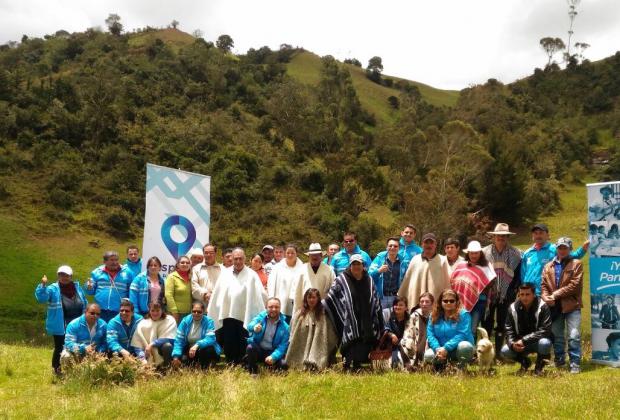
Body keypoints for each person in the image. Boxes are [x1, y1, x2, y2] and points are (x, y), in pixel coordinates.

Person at [324, 254, 384, 371]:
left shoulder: (369, 279)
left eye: (359, 264)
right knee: (352, 340)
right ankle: (349, 363)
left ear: (363, 265)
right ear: (350, 266)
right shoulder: (341, 279)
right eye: (354, 264)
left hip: (367, 318)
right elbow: (331, 296)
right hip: (349, 320)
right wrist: (323, 305)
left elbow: (375, 298)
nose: (356, 266)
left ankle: (362, 364)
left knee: (365, 340)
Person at [207, 248, 267, 364]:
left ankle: (243, 362)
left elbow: (260, 293)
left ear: (244, 259)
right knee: (229, 339)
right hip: (228, 313)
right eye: (235, 259)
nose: (238, 261)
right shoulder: (225, 273)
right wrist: (216, 307)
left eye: (240, 259)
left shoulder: (252, 274)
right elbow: (218, 292)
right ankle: (231, 362)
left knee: (243, 339)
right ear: (232, 259)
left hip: (245, 313)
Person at [541, 237, 584, 373]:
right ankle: (559, 361)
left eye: (565, 247)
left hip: (572, 305)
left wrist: (555, 295)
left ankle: (575, 363)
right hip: (554, 307)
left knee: (574, 335)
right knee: (557, 336)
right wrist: (546, 297)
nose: (562, 250)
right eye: (560, 247)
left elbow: (574, 286)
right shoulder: (548, 266)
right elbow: (543, 285)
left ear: (570, 249)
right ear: (556, 249)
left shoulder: (577, 263)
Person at [35, 265, 88, 375]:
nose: (64, 277)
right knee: (60, 346)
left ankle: (75, 369)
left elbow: (84, 302)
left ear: (71, 276)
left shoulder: (77, 288)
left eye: (67, 275)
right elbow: (41, 298)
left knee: (77, 345)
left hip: (78, 324)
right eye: (61, 275)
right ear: (58, 276)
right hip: (60, 324)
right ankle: (57, 370)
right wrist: (43, 285)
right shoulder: (52, 288)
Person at [482, 223, 522, 358]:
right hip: (488, 292)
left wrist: (514, 290)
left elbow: (517, 274)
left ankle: (500, 353)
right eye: (498, 236)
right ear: (493, 237)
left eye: (504, 236)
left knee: (503, 323)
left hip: (507, 293)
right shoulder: (484, 252)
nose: (501, 238)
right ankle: (487, 351)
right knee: (487, 322)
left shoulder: (516, 253)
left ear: (508, 237)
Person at [521, 223, 588, 296]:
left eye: (541, 233)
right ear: (532, 236)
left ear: (547, 235)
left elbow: (573, 256)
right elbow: (523, 273)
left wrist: (583, 248)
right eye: (535, 233)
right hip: (528, 293)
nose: (538, 236)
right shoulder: (527, 253)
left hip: (545, 293)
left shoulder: (554, 249)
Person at [502, 283, 552, 374]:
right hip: (520, 344)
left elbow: (545, 330)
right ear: (519, 295)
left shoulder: (543, 306)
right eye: (522, 294)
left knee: (545, 343)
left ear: (534, 294)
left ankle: (539, 367)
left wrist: (524, 340)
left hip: (537, 342)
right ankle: (525, 362)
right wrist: (513, 344)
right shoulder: (512, 308)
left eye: (527, 294)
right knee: (505, 350)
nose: (525, 297)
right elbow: (508, 330)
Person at [450, 240, 497, 337]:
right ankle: (463, 350)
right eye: (471, 253)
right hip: (461, 303)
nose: (474, 255)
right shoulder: (461, 265)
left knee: (472, 329)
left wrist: (477, 286)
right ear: (468, 253)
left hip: (479, 302)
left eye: (476, 253)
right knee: (461, 328)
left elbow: (491, 281)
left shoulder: (486, 266)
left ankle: (471, 350)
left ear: (480, 253)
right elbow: (454, 281)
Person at [286, 288, 338, 371]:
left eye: (314, 297)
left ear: (318, 299)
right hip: (303, 342)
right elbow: (293, 328)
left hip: (317, 343)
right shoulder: (300, 313)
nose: (311, 300)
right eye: (309, 298)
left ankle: (314, 364)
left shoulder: (323, 314)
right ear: (306, 299)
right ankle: (300, 364)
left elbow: (328, 331)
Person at [424, 289, 474, 371]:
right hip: (439, 350)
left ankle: (461, 369)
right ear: (440, 302)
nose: (448, 303)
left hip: (457, 350)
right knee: (428, 355)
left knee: (465, 346)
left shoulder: (464, 315)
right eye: (445, 301)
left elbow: (462, 335)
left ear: (457, 302)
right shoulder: (433, 315)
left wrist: (446, 348)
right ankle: (441, 368)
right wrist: (437, 348)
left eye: (451, 301)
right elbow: (430, 335)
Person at [398, 233, 450, 311]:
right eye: (426, 242)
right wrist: (401, 295)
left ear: (435, 244)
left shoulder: (442, 261)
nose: (429, 245)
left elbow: (446, 283)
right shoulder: (415, 259)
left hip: (435, 301)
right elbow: (407, 280)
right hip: (416, 300)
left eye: (431, 243)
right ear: (422, 244)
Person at [246, 297, 290, 375]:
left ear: (280, 308)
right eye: (270, 307)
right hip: (259, 349)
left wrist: (273, 356)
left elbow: (283, 346)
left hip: (272, 351)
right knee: (250, 347)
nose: (273, 309)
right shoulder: (261, 317)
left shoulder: (285, 327)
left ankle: (269, 366)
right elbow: (249, 326)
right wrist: (254, 327)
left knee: (284, 365)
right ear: (266, 308)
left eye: (276, 307)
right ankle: (253, 371)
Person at [86, 251, 134, 322]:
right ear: (104, 261)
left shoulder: (128, 272)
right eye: (111, 260)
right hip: (100, 310)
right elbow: (90, 292)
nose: (114, 262)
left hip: (119, 310)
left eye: (116, 260)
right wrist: (89, 287)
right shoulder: (97, 272)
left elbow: (132, 291)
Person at [171, 302, 221, 369]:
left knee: (207, 350)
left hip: (204, 350)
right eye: (194, 311)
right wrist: (176, 356)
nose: (196, 313)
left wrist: (197, 345)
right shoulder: (185, 321)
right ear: (191, 311)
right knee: (183, 360)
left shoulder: (209, 321)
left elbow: (211, 338)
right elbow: (179, 340)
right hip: (190, 349)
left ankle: (205, 369)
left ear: (203, 312)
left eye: (199, 312)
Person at [292, 243, 336, 314]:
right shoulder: (301, 270)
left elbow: (333, 291)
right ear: (309, 256)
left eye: (317, 255)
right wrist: (298, 308)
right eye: (312, 255)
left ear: (321, 255)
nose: (314, 257)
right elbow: (297, 291)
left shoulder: (329, 270)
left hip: (323, 310)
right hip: (305, 309)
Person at [131, 302, 177, 368]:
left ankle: (167, 368)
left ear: (162, 310)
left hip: (162, 349)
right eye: (152, 310)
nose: (155, 313)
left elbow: (171, 339)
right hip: (147, 353)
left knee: (167, 346)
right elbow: (137, 344)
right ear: (149, 311)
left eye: (158, 310)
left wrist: (151, 344)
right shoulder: (143, 323)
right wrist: (142, 358)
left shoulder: (169, 320)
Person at [267, 243, 304, 323]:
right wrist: (271, 300)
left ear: (296, 254)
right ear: (285, 253)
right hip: (280, 304)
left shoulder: (302, 269)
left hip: (295, 304)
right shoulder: (277, 268)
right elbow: (271, 285)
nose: (290, 255)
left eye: (292, 253)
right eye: (288, 253)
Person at [369, 237, 408, 308]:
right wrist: (378, 271)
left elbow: (406, 280)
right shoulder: (379, 259)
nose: (392, 248)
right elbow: (369, 275)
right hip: (381, 297)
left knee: (394, 318)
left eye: (395, 246)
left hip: (395, 298)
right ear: (387, 247)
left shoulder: (403, 262)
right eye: (390, 246)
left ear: (399, 248)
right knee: (380, 318)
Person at [402, 292, 434, 367]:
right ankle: (410, 365)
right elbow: (407, 331)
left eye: (427, 301)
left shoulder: (435, 316)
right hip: (415, 342)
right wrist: (411, 343)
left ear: (432, 303)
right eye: (422, 301)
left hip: (431, 343)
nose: (424, 304)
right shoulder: (414, 315)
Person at [383, 296, 411, 369]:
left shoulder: (410, 318)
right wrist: (391, 335)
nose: (397, 307)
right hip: (392, 346)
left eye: (401, 305)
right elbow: (384, 328)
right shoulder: (389, 316)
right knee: (395, 364)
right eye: (395, 305)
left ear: (406, 307)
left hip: (407, 345)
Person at [165, 255, 193, 324]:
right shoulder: (172, 276)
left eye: (187, 263)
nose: (185, 264)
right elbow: (168, 295)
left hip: (189, 313)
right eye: (182, 262)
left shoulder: (192, 277)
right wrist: (174, 311)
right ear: (177, 265)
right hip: (176, 314)